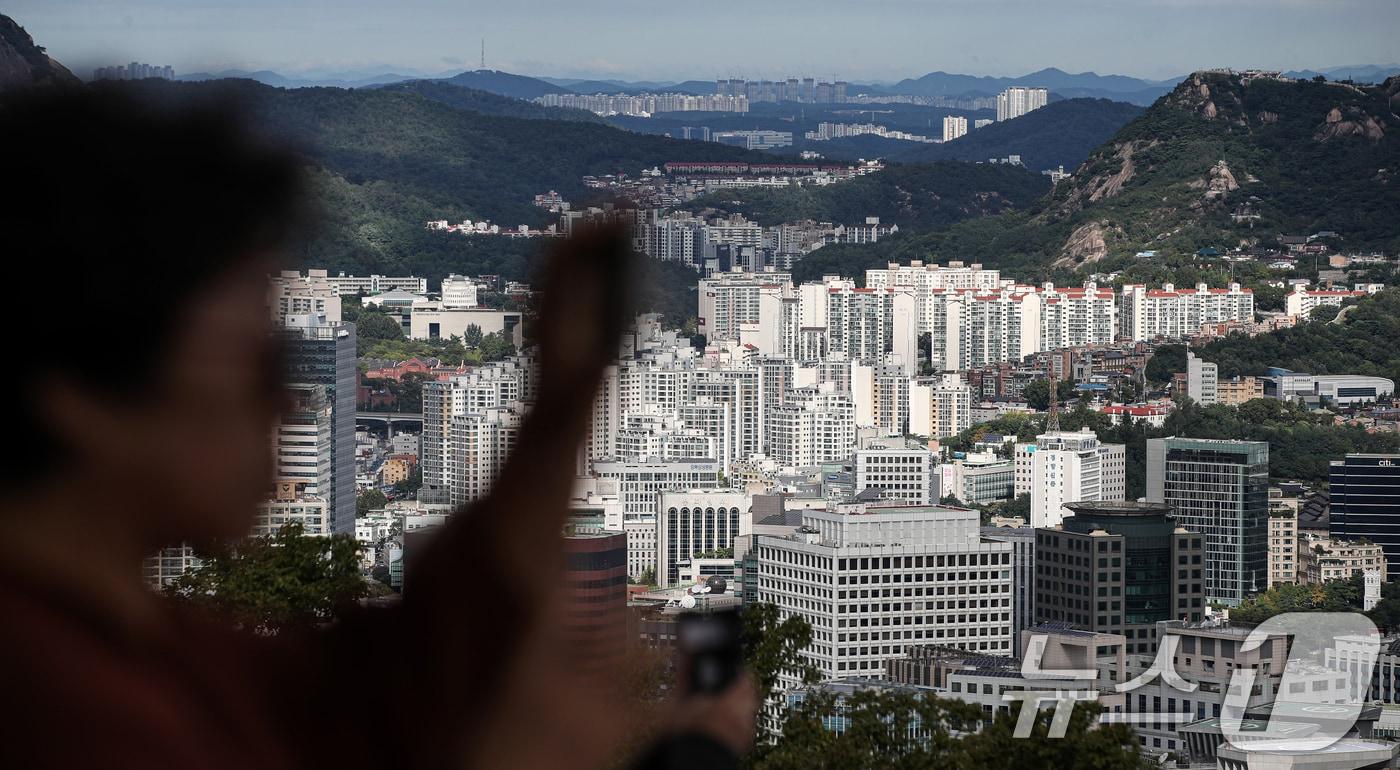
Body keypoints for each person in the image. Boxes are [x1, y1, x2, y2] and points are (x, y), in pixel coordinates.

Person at [0, 85, 756, 768]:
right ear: (78, 393)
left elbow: (377, 682)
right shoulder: (71, 716)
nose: (285, 406)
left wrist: (562, 399)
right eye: (253, 366)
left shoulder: (140, 642)